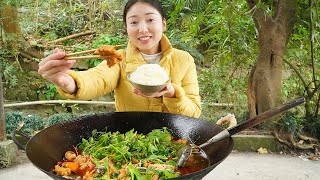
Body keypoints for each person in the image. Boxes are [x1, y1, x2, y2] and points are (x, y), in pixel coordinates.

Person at [38, 0, 201, 118]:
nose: (143, 29)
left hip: (175, 142)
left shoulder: (184, 60)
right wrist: (68, 82)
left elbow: (194, 111)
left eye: (150, 20)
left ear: (163, 24)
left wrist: (173, 93)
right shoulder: (120, 59)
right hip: (130, 144)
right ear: (127, 28)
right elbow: (98, 78)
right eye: (134, 22)